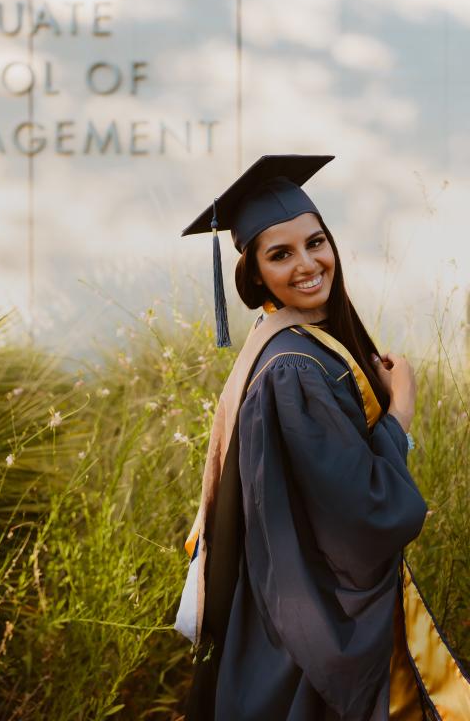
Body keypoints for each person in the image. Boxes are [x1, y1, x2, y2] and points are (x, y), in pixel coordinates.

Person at [177, 154, 470, 721]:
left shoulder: (288, 344)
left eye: (315, 243)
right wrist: (401, 410)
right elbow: (363, 507)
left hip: (283, 601)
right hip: (310, 619)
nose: (308, 264)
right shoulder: (295, 369)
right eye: (280, 254)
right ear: (254, 275)